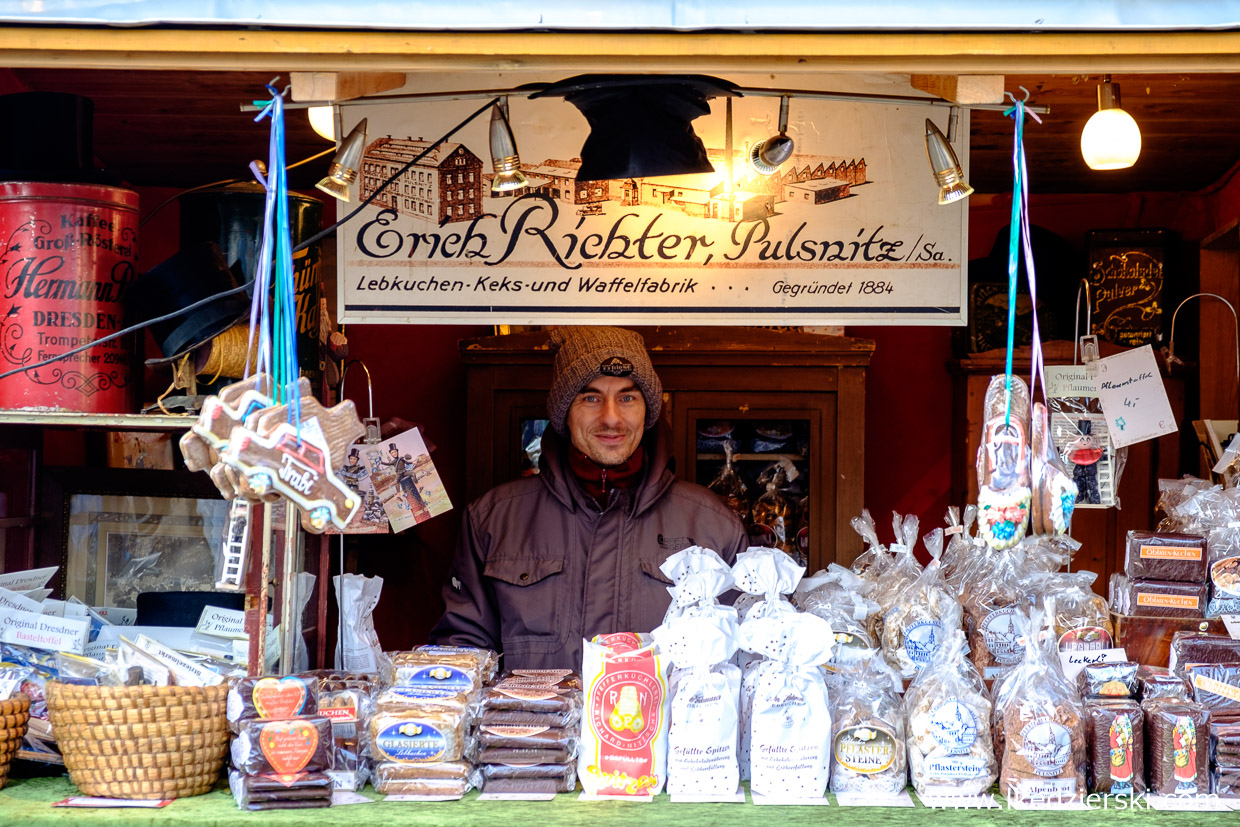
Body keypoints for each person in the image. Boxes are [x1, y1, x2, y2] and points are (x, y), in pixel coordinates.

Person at [431, 326, 748, 669]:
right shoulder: (494, 519)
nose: (611, 417)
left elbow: (747, 655)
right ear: (564, 412)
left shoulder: (713, 526)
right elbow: (462, 653)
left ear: (648, 411)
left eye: (627, 397)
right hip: (534, 724)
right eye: (591, 398)